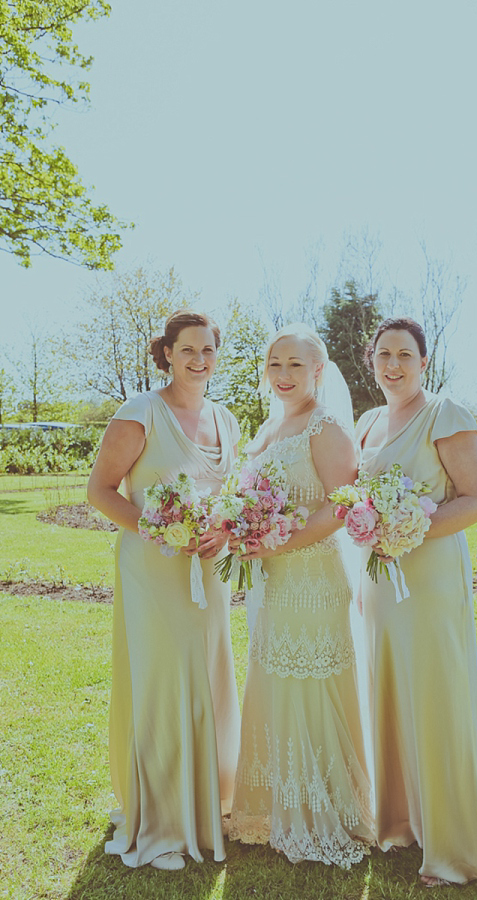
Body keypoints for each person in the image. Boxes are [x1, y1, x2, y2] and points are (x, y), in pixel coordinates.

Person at [355, 317, 477, 896]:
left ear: (424, 362)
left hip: (427, 580)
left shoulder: (445, 413)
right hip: (381, 582)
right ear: (371, 361)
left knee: (436, 694)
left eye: (405, 355)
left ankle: (454, 842)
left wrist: (409, 527)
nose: (394, 365)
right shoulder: (368, 422)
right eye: (384, 355)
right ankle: (403, 822)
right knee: (391, 691)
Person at [87, 309, 241, 870]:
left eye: (208, 350)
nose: (199, 360)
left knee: (207, 674)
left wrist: (223, 530)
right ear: (167, 354)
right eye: (188, 350)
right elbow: (100, 491)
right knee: (163, 681)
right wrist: (160, 529)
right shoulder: (141, 413)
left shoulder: (226, 420)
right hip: (154, 570)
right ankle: (162, 821)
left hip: (208, 570)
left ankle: (206, 805)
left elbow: (227, 497)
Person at [228, 324, 374, 867]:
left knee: (308, 681)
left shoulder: (325, 425)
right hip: (273, 579)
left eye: (295, 364)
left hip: (312, 580)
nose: (283, 375)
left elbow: (342, 505)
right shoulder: (270, 427)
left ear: (318, 370)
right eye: (274, 364)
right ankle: (270, 807)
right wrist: (247, 530)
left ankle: (323, 808)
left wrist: (276, 541)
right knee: (273, 679)